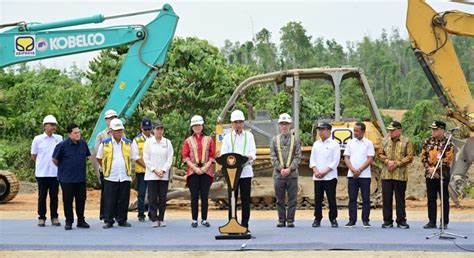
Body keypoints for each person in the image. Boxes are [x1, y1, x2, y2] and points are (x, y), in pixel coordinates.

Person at [220, 110, 256, 232]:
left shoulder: (249, 136)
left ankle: (245, 225)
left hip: (245, 173)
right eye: (236, 122)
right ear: (232, 123)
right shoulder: (227, 138)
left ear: (243, 123)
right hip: (232, 174)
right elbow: (223, 154)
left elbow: (252, 151)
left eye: (240, 122)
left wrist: (250, 157)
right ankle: (232, 224)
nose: (238, 124)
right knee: (232, 199)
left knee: (245, 200)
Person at [96, 118, 136, 229]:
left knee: (123, 199)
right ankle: (108, 220)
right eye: (117, 130)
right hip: (111, 176)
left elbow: (133, 157)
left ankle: (122, 219)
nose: (120, 132)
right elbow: (99, 157)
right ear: (111, 131)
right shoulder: (105, 143)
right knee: (110, 199)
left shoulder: (128, 143)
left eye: (121, 130)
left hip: (124, 175)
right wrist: (106, 168)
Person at [52, 123, 91, 230]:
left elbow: (86, 157)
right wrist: (64, 169)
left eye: (79, 132)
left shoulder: (83, 144)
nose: (78, 135)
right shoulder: (62, 146)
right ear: (69, 134)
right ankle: (69, 221)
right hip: (67, 179)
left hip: (80, 178)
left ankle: (81, 220)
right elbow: (55, 160)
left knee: (81, 200)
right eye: (75, 133)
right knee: (68, 201)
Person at [377, 120, 413, 229]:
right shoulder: (384, 141)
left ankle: (401, 221)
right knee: (386, 198)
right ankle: (387, 221)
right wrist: (387, 161)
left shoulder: (407, 141)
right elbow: (379, 154)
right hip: (386, 175)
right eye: (389, 130)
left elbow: (410, 157)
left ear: (399, 130)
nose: (390, 132)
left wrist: (397, 163)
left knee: (400, 199)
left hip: (400, 175)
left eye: (392, 130)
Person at [182, 115, 216, 228]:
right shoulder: (188, 141)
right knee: (194, 196)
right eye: (195, 125)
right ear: (192, 127)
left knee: (205, 196)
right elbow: (185, 157)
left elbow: (212, 156)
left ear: (202, 126)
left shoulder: (209, 139)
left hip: (206, 170)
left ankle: (204, 219)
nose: (197, 127)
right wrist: (195, 168)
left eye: (199, 125)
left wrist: (205, 168)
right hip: (193, 171)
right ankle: (194, 219)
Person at [270, 113, 301, 228]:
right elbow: (273, 157)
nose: (284, 126)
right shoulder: (274, 140)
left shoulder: (296, 140)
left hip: (292, 175)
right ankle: (281, 220)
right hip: (278, 175)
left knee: (292, 199)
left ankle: (290, 220)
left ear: (290, 125)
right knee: (279, 199)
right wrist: (280, 169)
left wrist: (290, 169)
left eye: (286, 124)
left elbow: (298, 156)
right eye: (282, 124)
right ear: (279, 125)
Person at [421, 121, 454, 229]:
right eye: (432, 129)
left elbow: (448, 159)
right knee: (431, 198)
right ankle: (432, 221)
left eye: (435, 129)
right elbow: (423, 157)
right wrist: (429, 168)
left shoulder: (448, 143)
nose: (433, 131)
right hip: (430, 175)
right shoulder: (427, 141)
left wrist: (436, 169)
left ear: (442, 130)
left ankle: (444, 222)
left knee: (444, 199)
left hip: (443, 175)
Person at [31, 115, 62, 227]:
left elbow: (60, 155)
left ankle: (54, 217)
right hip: (42, 173)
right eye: (51, 125)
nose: (53, 127)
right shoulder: (38, 139)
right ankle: (42, 217)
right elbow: (34, 156)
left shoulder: (59, 138)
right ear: (45, 126)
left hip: (55, 173)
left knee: (54, 196)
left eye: (54, 125)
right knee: (42, 196)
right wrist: (42, 164)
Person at [343, 122, 375, 228]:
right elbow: (346, 157)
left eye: (356, 130)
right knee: (352, 198)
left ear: (363, 131)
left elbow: (370, 158)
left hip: (365, 175)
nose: (354, 132)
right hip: (352, 175)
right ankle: (352, 220)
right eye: (354, 130)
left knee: (365, 198)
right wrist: (352, 170)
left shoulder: (369, 143)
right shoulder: (350, 143)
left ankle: (365, 220)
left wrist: (360, 170)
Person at [309, 122, 340, 228]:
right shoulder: (316, 144)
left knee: (331, 198)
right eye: (319, 130)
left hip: (329, 177)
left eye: (322, 129)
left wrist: (324, 172)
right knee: (317, 199)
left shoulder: (335, 144)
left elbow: (335, 162)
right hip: (317, 177)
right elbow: (312, 160)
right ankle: (317, 218)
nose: (320, 132)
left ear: (328, 130)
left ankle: (333, 218)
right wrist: (316, 170)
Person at [143, 121, 174, 228]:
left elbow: (170, 158)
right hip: (152, 175)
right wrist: (155, 170)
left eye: (161, 129)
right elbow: (146, 159)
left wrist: (164, 170)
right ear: (153, 130)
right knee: (152, 198)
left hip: (163, 175)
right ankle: (154, 218)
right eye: (157, 129)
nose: (159, 131)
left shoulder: (167, 142)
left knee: (162, 197)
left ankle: (161, 218)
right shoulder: (148, 142)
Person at [92, 109, 118, 222]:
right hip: (105, 169)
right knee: (106, 193)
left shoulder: (121, 134)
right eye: (110, 118)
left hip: (117, 169)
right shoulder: (101, 135)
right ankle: (104, 214)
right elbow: (99, 153)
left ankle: (116, 214)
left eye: (114, 118)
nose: (112, 120)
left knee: (117, 193)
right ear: (106, 121)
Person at [131, 118, 153, 222]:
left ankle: (151, 213)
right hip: (142, 171)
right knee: (141, 193)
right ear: (141, 128)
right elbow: (135, 157)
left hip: (153, 171)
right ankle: (141, 214)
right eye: (145, 129)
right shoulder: (136, 140)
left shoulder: (154, 139)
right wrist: (147, 166)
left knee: (152, 193)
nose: (148, 131)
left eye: (149, 129)